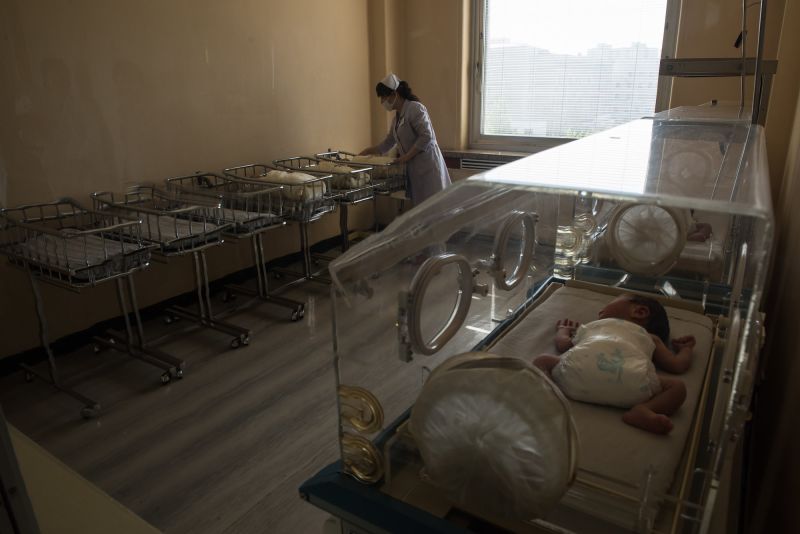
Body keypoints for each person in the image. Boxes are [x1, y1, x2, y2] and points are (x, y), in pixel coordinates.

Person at [533, 293, 696, 435]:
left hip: (575, 373)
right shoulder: (651, 338)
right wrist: (686, 350)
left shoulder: (593, 328)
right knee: (677, 388)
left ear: (639, 311)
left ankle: (545, 397)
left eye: (611, 302)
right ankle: (645, 409)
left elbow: (563, 345)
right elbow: (677, 365)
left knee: (542, 361)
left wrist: (563, 330)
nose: (600, 311)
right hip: (632, 383)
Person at [360, 73, 451, 206]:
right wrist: (366, 152)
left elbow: (427, 136)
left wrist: (405, 157)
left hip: (428, 168)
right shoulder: (396, 119)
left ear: (394, 94)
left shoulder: (415, 108)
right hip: (415, 171)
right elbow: (387, 144)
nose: (382, 102)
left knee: (434, 209)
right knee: (421, 212)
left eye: (383, 97)